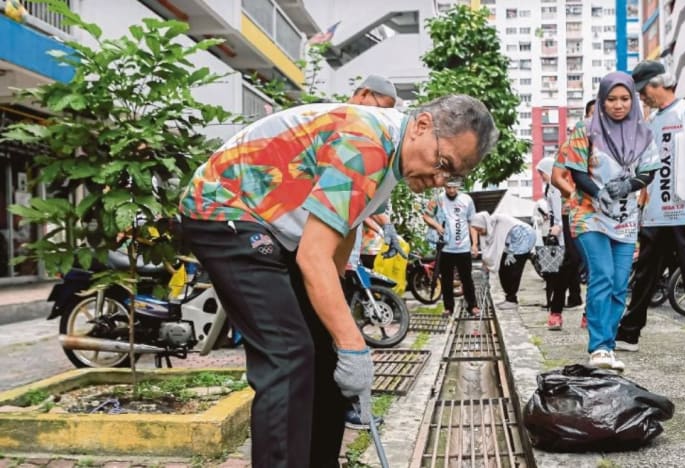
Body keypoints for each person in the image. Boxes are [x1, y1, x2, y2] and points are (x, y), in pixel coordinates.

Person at [179, 95, 498, 467]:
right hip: (221, 210)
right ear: (422, 125)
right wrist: (353, 344)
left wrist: (339, 331)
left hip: (273, 228)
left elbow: (343, 230)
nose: (440, 179)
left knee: (324, 354)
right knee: (288, 355)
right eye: (442, 163)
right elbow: (313, 257)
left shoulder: (392, 158)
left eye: (453, 175)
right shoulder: (368, 145)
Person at [616, 60, 685, 362]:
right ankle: (630, 333)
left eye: (643, 91)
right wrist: (639, 207)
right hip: (655, 215)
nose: (642, 98)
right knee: (645, 277)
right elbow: (648, 170)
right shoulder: (650, 124)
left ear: (657, 84)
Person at [558, 71, 660, 371]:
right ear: (602, 101)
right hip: (590, 214)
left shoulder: (643, 133)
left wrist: (629, 186)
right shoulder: (586, 129)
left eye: (625, 99)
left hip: (625, 219)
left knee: (618, 285)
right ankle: (599, 347)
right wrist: (599, 191)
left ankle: (609, 344)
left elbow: (649, 171)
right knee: (601, 275)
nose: (618, 105)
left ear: (633, 100)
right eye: (611, 99)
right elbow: (575, 171)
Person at [347, 75, 407, 261]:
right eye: (381, 110)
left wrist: (388, 228)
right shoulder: (340, 125)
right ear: (364, 93)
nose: (383, 117)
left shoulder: (370, 137)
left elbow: (368, 197)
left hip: (347, 245)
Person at [423, 179, 480, 317]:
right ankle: (448, 308)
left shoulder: (467, 200)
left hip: (464, 248)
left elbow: (473, 222)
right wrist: (437, 226)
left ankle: (472, 306)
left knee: (467, 279)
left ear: (459, 186)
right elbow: (426, 216)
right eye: (449, 187)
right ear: (444, 186)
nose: (452, 190)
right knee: (446, 280)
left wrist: (474, 244)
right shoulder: (437, 199)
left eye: (455, 187)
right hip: (445, 248)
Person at [534, 157, 573, 330]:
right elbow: (554, 214)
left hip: (573, 232)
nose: (541, 176)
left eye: (542, 172)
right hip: (558, 237)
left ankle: (585, 312)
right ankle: (555, 311)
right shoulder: (550, 189)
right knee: (559, 273)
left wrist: (559, 225)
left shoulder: (560, 186)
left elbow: (565, 211)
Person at [470, 211, 536, 309]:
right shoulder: (489, 228)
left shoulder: (499, 221)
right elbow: (487, 248)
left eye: (480, 229)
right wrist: (486, 262)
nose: (480, 232)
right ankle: (509, 298)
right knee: (503, 269)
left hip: (524, 239)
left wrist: (512, 253)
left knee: (512, 269)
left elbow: (517, 232)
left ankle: (512, 300)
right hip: (511, 244)